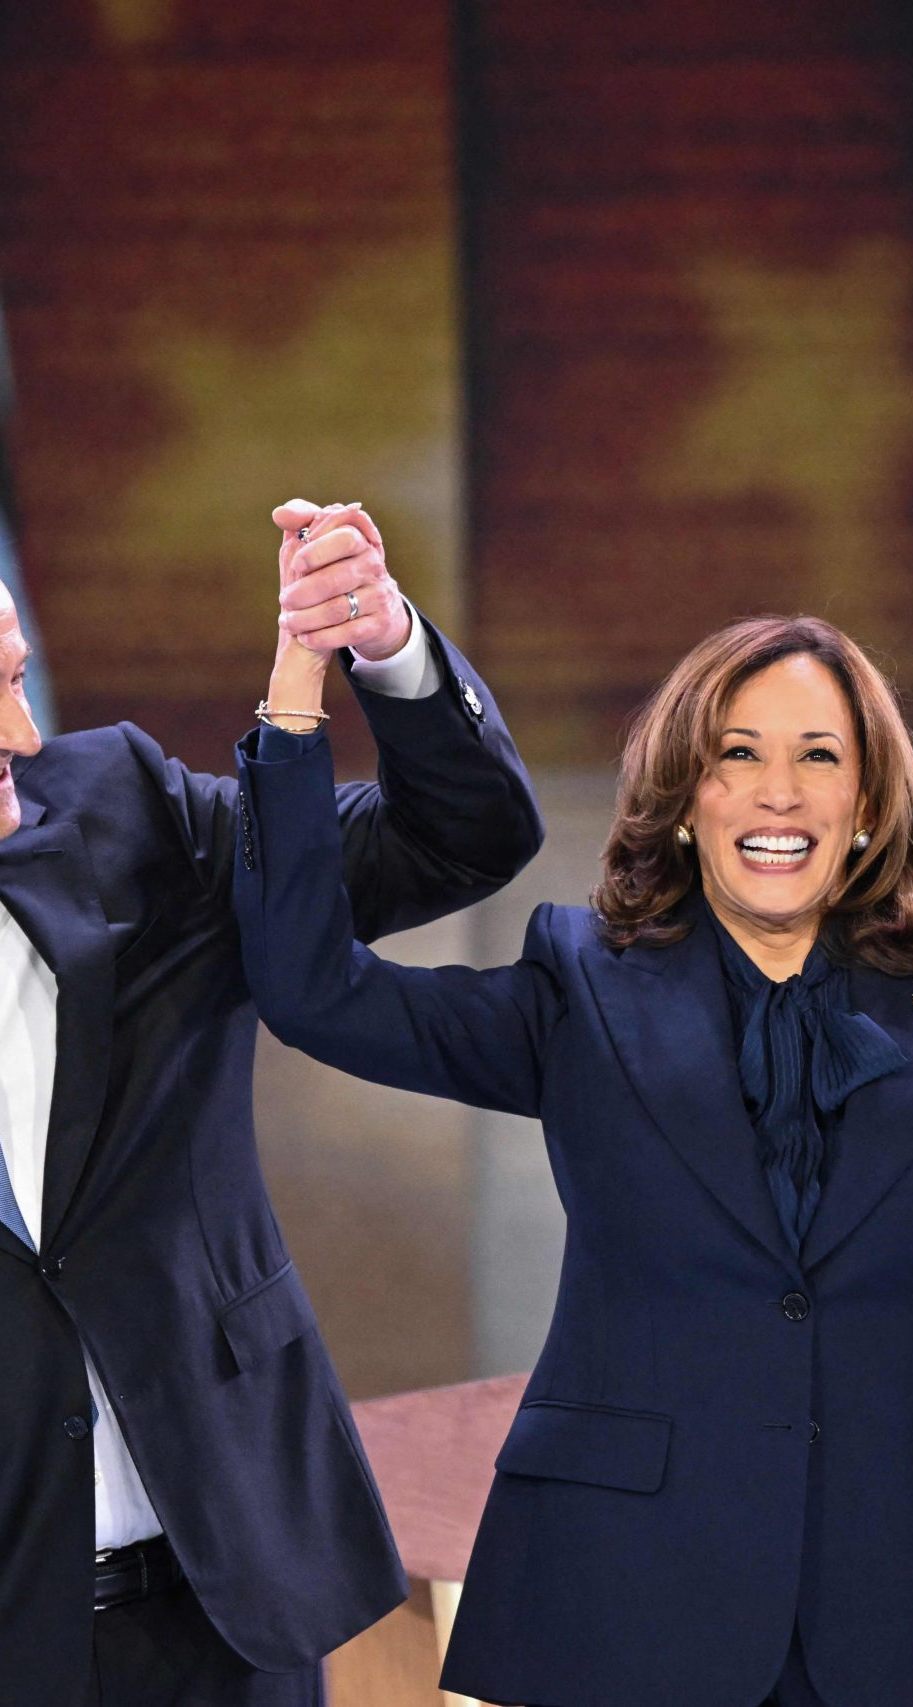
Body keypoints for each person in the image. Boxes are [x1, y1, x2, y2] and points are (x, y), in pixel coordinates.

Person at [230, 543, 913, 1706]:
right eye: (739, 756)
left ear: (867, 806)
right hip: (627, 1594)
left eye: (819, 757)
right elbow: (315, 989)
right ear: (686, 800)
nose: (780, 792)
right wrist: (299, 685)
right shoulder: (580, 987)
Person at [0, 500, 544, 1707]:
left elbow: (454, 839)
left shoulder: (121, 812)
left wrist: (383, 645)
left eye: (19, 678)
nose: (23, 734)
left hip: (220, 1601)